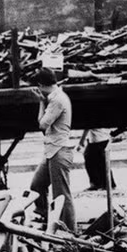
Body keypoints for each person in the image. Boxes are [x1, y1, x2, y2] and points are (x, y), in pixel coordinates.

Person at [29, 68, 76, 232]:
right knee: (37, 185)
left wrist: (42, 102)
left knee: (62, 195)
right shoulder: (52, 98)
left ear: (41, 85)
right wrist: (42, 101)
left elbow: (42, 124)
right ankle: (44, 216)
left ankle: (69, 231)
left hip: (59, 150)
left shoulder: (57, 100)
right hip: (52, 150)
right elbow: (41, 122)